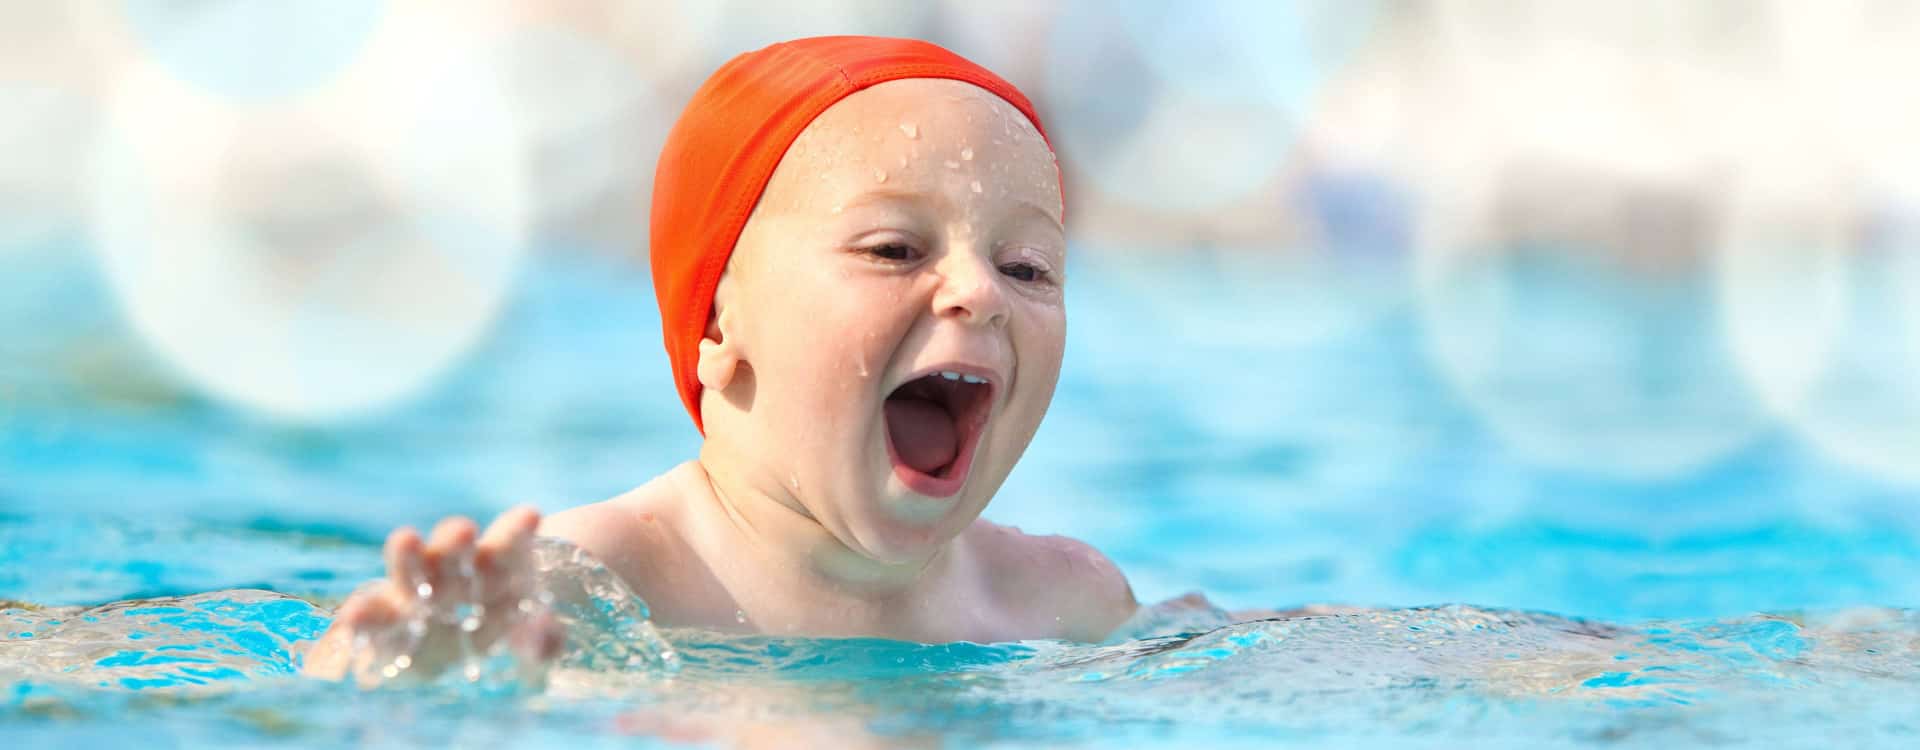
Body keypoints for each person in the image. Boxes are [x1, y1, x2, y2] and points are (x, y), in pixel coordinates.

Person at [303, 36, 1137, 681]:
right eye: (893, 248)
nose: (978, 292)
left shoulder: (1061, 601)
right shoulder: (593, 583)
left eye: (1026, 265)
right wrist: (400, 676)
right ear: (715, 333)